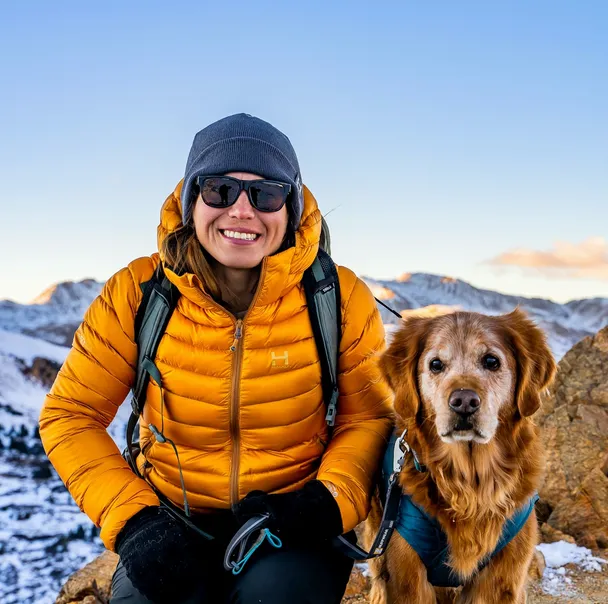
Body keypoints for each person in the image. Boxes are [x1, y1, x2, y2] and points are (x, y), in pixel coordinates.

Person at [39, 113, 393, 604]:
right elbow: (70, 416)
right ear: (190, 202)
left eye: (266, 194)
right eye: (220, 191)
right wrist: (136, 522)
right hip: (171, 525)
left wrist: (327, 504)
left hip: (290, 527)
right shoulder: (138, 294)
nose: (242, 210)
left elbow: (370, 414)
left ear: (290, 207)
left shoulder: (338, 295)